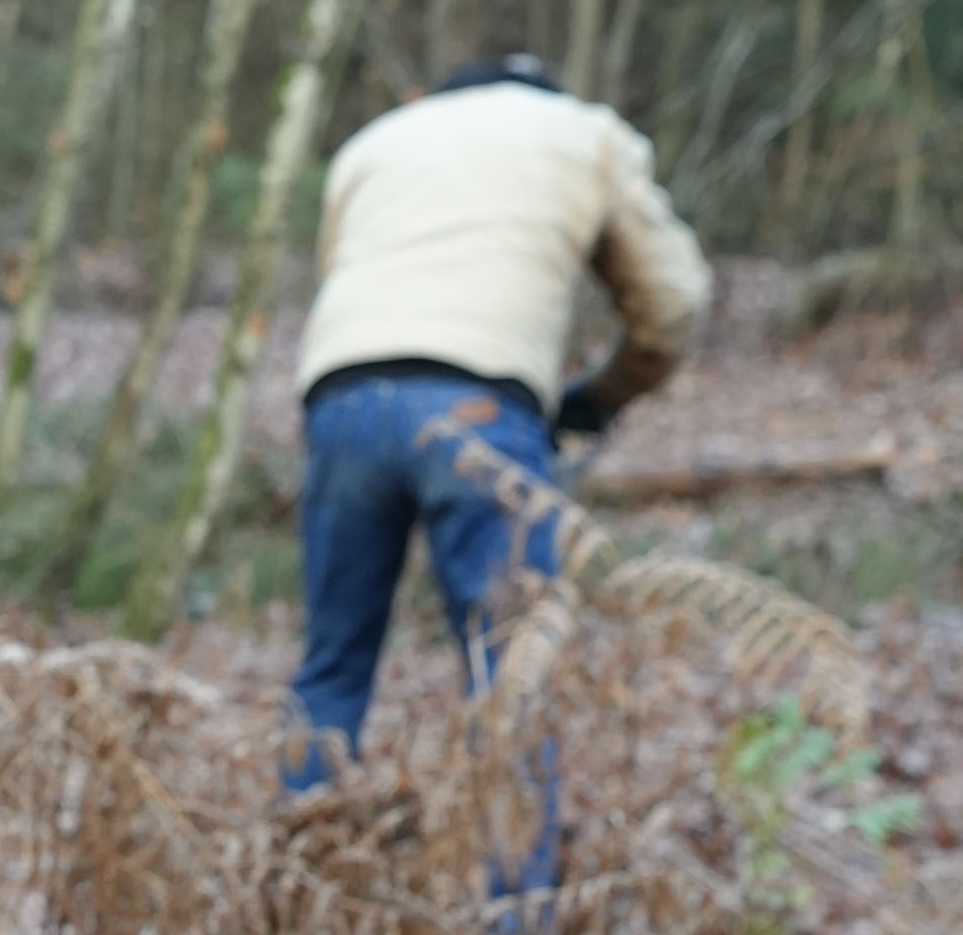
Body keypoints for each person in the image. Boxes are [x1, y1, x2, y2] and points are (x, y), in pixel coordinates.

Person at [286, 54, 711, 839]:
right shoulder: (587, 135)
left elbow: (342, 272)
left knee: (331, 667)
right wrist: (603, 395)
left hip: (343, 397)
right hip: (482, 405)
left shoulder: (375, 142)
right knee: (511, 672)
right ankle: (515, 905)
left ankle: (290, 883)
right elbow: (672, 299)